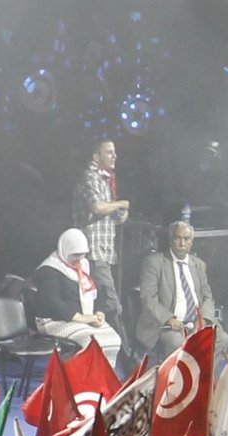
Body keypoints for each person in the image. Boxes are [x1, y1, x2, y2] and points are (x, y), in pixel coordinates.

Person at [75, 138, 131, 363]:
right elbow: (97, 208)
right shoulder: (90, 177)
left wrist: (120, 214)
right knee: (111, 303)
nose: (114, 156)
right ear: (96, 157)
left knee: (101, 307)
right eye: (109, 152)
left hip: (104, 252)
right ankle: (127, 359)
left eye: (115, 152)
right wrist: (120, 204)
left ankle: (104, 356)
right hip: (93, 253)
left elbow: (107, 213)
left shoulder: (106, 179)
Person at [135, 219, 218, 365]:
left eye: (186, 239)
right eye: (177, 238)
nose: (182, 244)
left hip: (195, 322)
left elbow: (207, 297)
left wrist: (204, 319)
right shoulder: (154, 263)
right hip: (165, 325)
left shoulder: (199, 265)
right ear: (170, 239)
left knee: (222, 338)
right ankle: (173, 382)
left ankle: (198, 375)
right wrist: (168, 319)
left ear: (192, 242)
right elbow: (149, 299)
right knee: (177, 341)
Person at [30, 227, 122, 359]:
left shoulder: (87, 266)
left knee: (113, 341)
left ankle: (101, 377)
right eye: (75, 255)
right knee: (93, 343)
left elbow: (99, 293)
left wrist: (99, 313)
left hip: (84, 319)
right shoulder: (49, 270)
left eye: (82, 254)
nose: (79, 259)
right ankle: (79, 377)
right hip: (53, 321)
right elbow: (52, 302)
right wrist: (79, 318)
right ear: (65, 250)